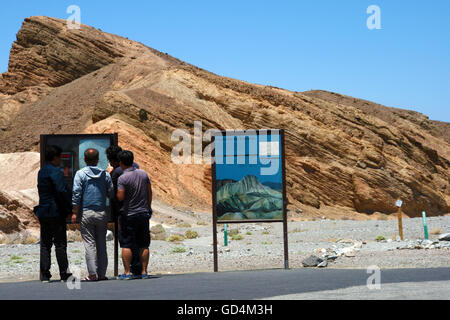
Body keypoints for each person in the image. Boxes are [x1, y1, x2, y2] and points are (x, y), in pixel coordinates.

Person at [72, 148, 114, 281]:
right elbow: (111, 193)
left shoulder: (80, 174)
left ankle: (92, 274)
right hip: (101, 213)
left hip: (86, 213)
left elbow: (76, 194)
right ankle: (102, 274)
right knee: (101, 244)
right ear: (97, 160)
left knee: (89, 244)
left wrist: (74, 213)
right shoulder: (105, 175)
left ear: (84, 159)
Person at [34, 145, 72, 283]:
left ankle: (45, 274)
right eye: (60, 157)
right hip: (56, 212)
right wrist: (68, 209)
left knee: (45, 244)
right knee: (60, 244)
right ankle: (64, 274)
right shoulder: (55, 172)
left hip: (43, 211)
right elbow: (62, 191)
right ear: (55, 157)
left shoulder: (41, 171)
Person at [106, 145, 142, 278]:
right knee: (138, 240)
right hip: (139, 207)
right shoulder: (136, 167)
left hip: (124, 211)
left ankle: (129, 271)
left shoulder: (116, 173)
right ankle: (139, 269)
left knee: (126, 241)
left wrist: (108, 174)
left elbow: (113, 192)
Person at [115, 150, 152, 280]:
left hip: (128, 214)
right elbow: (149, 192)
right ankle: (144, 271)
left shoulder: (122, 178)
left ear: (120, 163)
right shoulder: (143, 174)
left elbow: (120, 197)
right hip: (143, 213)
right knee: (143, 244)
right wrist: (148, 207)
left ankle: (127, 272)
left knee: (126, 244)